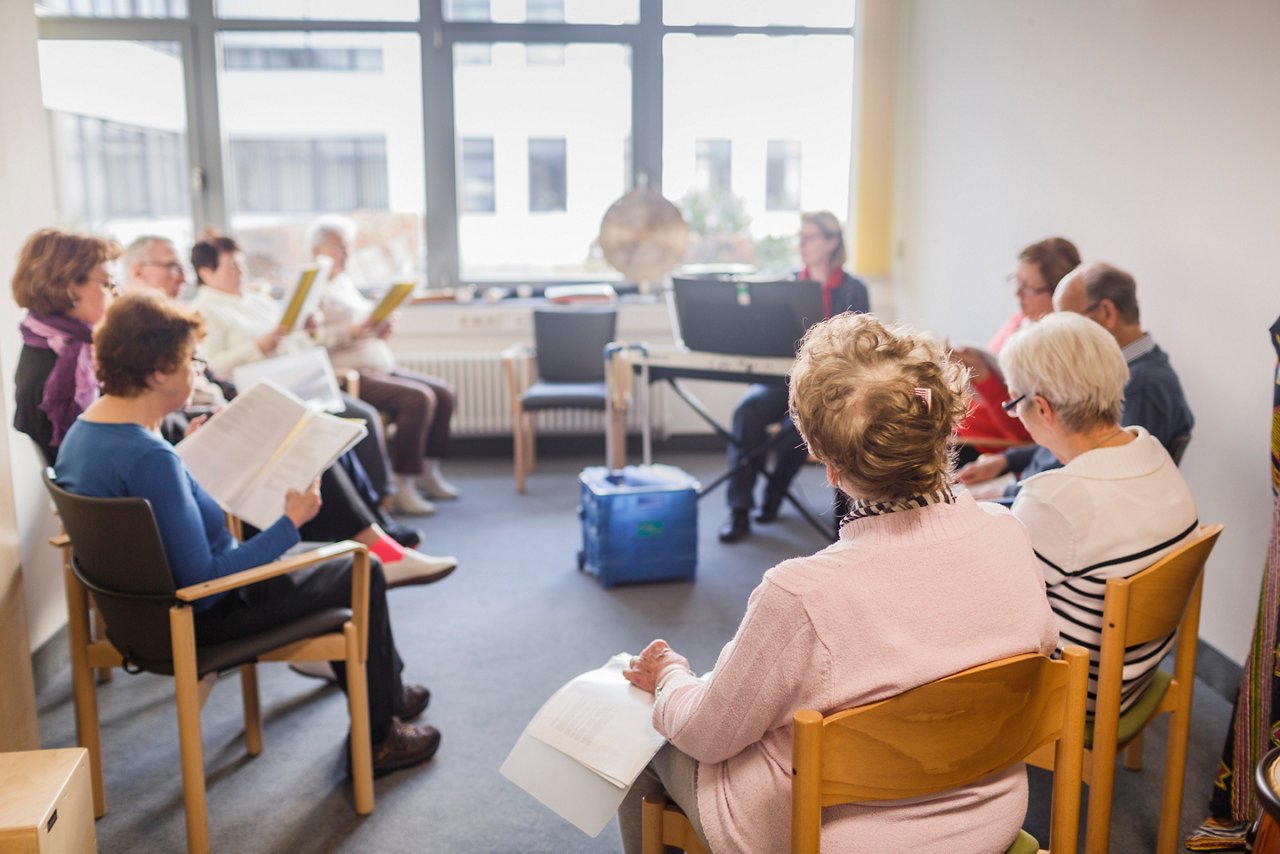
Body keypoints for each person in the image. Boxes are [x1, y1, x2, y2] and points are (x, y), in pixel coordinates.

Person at [619, 312, 1060, 853]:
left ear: (826, 464)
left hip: (839, 838)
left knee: (645, 728)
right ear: (942, 427)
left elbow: (709, 735)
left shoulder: (803, 593)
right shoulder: (1009, 533)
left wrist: (670, 677)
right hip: (986, 818)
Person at [53, 292, 441, 775]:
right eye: (189, 360)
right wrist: (289, 523)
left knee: (336, 567)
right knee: (359, 569)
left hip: (136, 616)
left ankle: (386, 691)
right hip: (204, 613)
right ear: (157, 372)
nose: (197, 369)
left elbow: (146, 509)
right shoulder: (151, 458)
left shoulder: (84, 434)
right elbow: (204, 580)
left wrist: (183, 458)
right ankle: (381, 734)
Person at [122, 235, 448, 583]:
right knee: (310, 436)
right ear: (140, 270)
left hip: (262, 390)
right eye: (172, 267)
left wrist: (304, 333)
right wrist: (253, 357)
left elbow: (208, 376)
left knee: (331, 427)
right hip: (224, 407)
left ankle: (373, 535)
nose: (181, 277)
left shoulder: (234, 304)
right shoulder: (161, 321)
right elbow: (196, 380)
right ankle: (372, 545)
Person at [1000, 312, 1198, 713]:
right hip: (1140, 667)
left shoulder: (1054, 499)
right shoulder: (1151, 449)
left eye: (1014, 402)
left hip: (1082, 692)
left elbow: (1005, 609)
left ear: (1043, 408)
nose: (1015, 413)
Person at [957, 261, 1195, 500]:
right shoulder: (1122, 370)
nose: (1060, 331)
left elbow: (1101, 484)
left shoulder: (1141, 387)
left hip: (1044, 500)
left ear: (1106, 313)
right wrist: (1007, 459)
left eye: (1066, 319)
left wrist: (1003, 496)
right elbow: (1073, 443)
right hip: (1032, 490)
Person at [718, 211, 869, 543]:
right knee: (747, 412)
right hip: (780, 380)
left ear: (831, 242)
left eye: (809, 238)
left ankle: (775, 497)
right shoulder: (787, 283)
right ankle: (739, 510)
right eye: (799, 238)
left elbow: (860, 346)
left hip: (829, 388)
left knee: (797, 430)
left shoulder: (853, 289)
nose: (801, 245)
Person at [307, 217, 460, 512]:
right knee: (418, 399)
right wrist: (351, 332)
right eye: (340, 247)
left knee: (443, 392)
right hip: (345, 373)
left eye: (347, 247)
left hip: (377, 365)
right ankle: (403, 483)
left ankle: (429, 472)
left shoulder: (343, 283)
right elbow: (309, 341)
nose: (347, 253)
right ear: (317, 250)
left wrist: (376, 328)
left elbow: (362, 322)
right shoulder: (312, 288)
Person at [950, 237, 1082, 463]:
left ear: (1057, 293)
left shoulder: (1057, 350)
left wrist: (984, 380)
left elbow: (1025, 433)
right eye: (1016, 282)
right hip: (956, 426)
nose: (1017, 294)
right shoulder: (1019, 321)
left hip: (982, 447)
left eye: (1027, 288)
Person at [11, 228, 119, 464]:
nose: (114, 295)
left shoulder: (56, 345)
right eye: (107, 284)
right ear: (69, 286)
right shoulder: (57, 364)